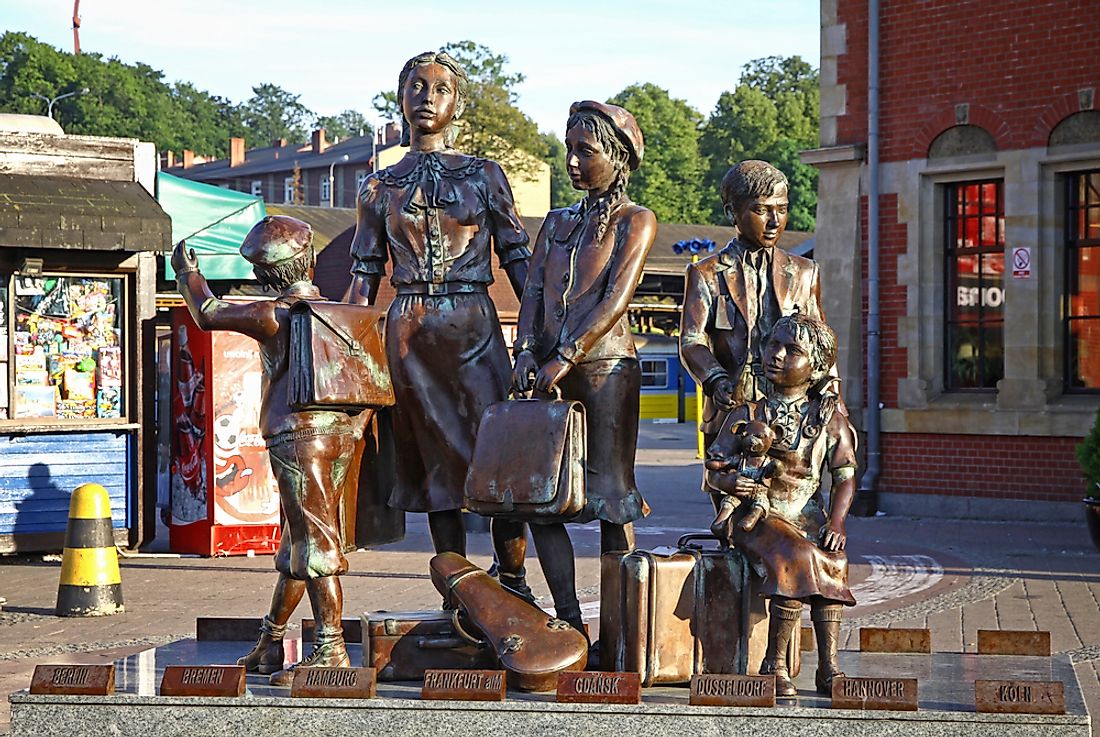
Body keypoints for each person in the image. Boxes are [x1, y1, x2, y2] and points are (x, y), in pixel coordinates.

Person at [345, 51, 530, 579]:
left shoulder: (485, 175)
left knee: (499, 461)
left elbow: (518, 259)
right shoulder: (378, 185)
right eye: (417, 86)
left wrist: (539, 335)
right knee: (435, 474)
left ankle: (513, 583)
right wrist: (341, 346)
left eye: (441, 88)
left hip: (473, 323)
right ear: (400, 99)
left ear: (458, 104)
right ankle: (459, 590)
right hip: (411, 333)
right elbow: (363, 272)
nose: (427, 97)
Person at [171, 216, 362, 686]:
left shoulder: (272, 314)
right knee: (298, 543)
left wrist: (186, 273)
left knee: (314, 547)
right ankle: (270, 642)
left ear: (264, 275)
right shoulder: (338, 315)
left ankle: (331, 648)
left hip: (297, 441)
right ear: (310, 263)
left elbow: (208, 312)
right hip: (337, 435)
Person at [504, 100, 656, 637]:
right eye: (568, 150)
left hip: (605, 369)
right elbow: (535, 291)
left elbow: (616, 296)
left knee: (611, 500)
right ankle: (570, 623)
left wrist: (564, 356)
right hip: (546, 368)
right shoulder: (557, 221)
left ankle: (620, 633)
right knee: (546, 500)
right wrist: (525, 350)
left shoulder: (636, 220)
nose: (571, 162)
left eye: (584, 152)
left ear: (617, 157)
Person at [706, 313, 857, 697]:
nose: (777, 355)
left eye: (792, 351)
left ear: (817, 365)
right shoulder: (746, 415)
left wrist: (836, 523)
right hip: (754, 516)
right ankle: (774, 664)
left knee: (832, 561)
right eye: (774, 345)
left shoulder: (830, 421)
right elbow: (714, 470)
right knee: (798, 554)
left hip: (806, 517)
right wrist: (728, 482)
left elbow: (844, 478)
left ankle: (829, 667)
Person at [679, 160, 827, 493]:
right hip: (733, 408)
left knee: (793, 502)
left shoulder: (805, 272)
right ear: (733, 212)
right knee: (732, 505)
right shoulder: (706, 274)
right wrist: (715, 378)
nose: (775, 221)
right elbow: (692, 339)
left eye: (782, 209)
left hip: (792, 409)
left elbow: (820, 344)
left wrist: (831, 396)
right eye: (762, 210)